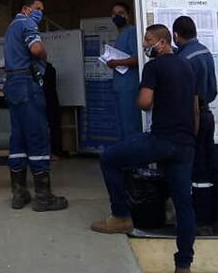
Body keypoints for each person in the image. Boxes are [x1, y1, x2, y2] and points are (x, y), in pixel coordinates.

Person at [91, 24, 197, 273]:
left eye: (148, 40)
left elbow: (144, 102)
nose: (145, 44)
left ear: (162, 42)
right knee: (184, 204)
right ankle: (184, 264)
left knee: (109, 159)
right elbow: (195, 109)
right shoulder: (187, 66)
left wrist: (145, 94)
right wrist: (191, 138)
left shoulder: (153, 67)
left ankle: (121, 216)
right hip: (185, 144)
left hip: (160, 140)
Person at [3, 0, 67, 212]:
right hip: (27, 84)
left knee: (18, 137)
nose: (40, 13)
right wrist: (44, 54)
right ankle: (43, 196)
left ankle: (19, 193)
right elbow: (36, 49)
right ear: (26, 8)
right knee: (38, 135)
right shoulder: (27, 23)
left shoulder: (11, 27)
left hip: (13, 83)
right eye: (38, 8)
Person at [173, 15, 218, 233]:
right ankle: (215, 218)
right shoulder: (205, 52)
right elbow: (212, 88)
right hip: (207, 114)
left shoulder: (183, 58)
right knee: (211, 167)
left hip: (193, 117)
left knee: (196, 170)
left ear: (176, 35)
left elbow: (184, 95)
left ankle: (201, 221)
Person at [105, 3, 141, 139]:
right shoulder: (120, 35)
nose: (117, 16)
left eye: (121, 13)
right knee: (122, 125)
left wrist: (116, 63)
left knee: (130, 125)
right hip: (120, 87)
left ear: (128, 15)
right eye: (114, 14)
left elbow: (138, 58)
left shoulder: (132, 32)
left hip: (129, 87)